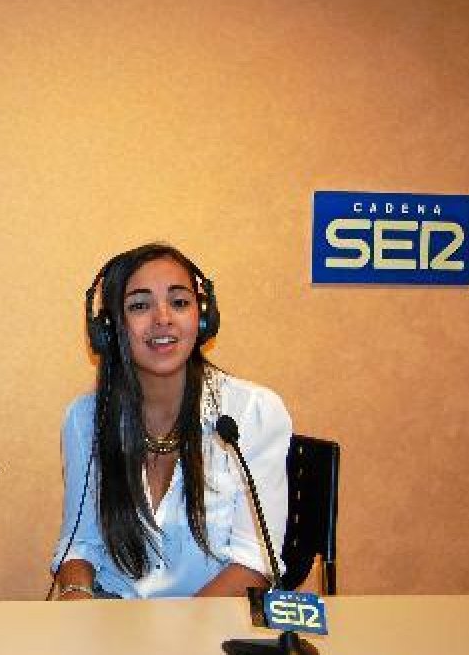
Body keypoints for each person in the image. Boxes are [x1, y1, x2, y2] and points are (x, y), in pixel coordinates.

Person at [51, 242, 292, 600]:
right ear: (109, 329)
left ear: (203, 317)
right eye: (140, 305)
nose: (163, 318)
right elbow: (79, 543)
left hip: (211, 624)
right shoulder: (86, 419)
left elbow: (254, 561)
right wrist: (75, 595)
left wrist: (176, 640)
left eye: (179, 302)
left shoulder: (253, 412)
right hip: (115, 619)